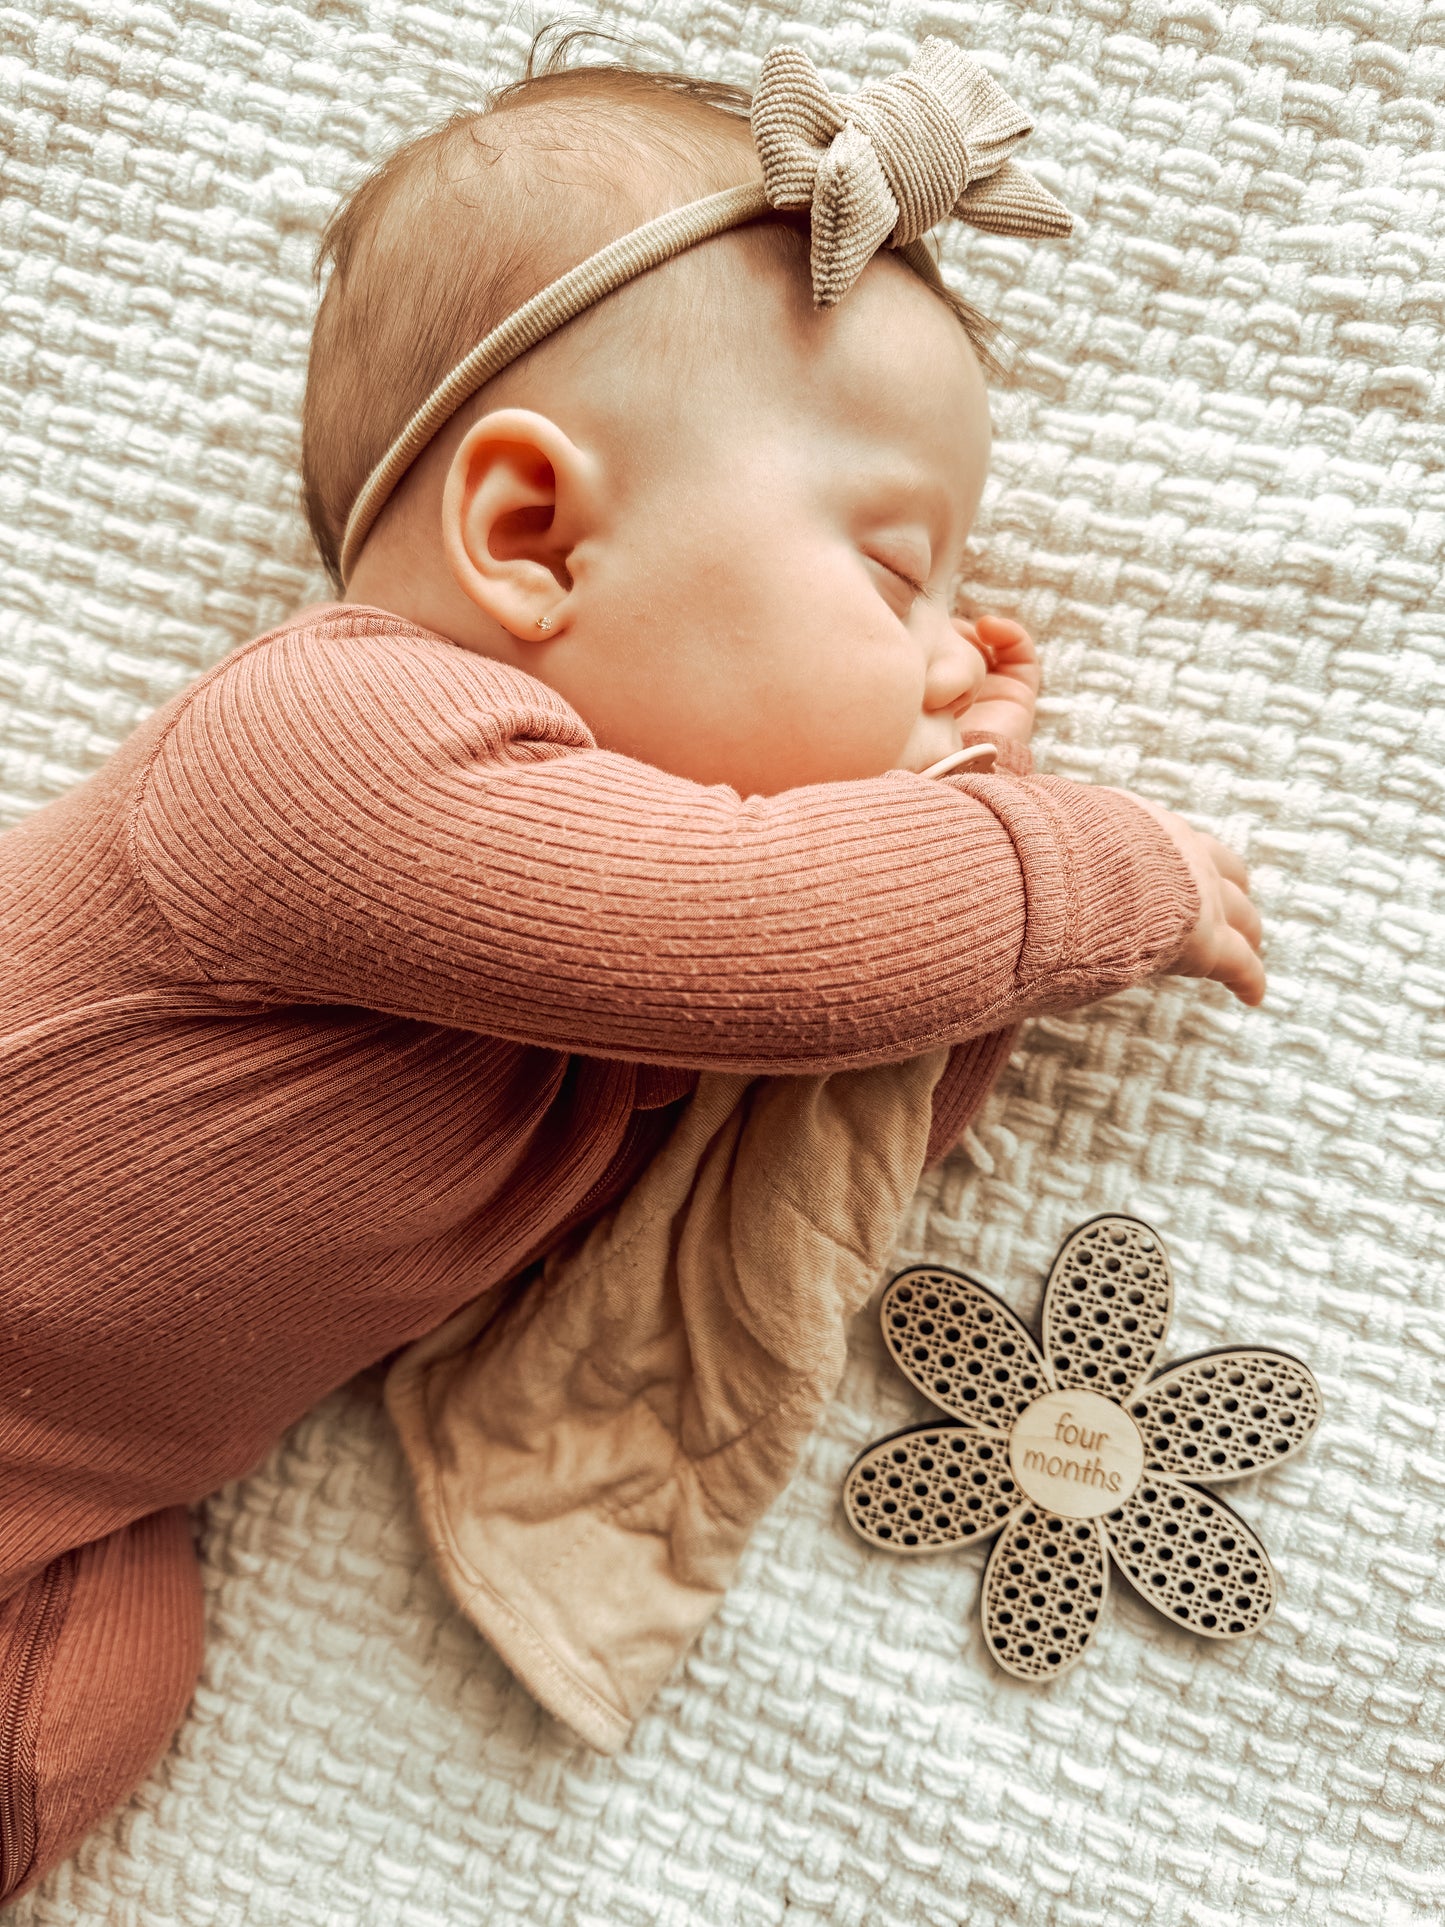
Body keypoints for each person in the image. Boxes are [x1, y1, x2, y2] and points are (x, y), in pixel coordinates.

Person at [0, 38, 1263, 1900]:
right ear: (533, 536)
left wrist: (954, 845)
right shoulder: (328, 740)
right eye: (895, 569)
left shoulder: (583, 1006)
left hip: (76, 1503)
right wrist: (1074, 859)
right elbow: (776, 943)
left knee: (118, 1690)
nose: (944, 649)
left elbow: (845, 1099)